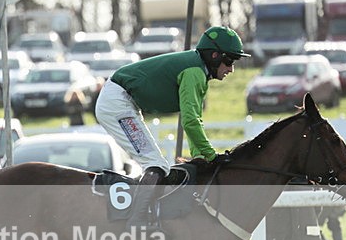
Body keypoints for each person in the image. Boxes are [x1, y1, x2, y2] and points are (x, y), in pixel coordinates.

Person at [95, 25, 249, 228]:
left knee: (159, 166)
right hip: (116, 103)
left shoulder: (199, 72)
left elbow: (194, 120)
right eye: (229, 61)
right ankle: (136, 221)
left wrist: (199, 156)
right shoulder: (194, 72)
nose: (231, 69)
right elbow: (190, 121)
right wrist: (211, 156)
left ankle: (145, 217)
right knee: (156, 164)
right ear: (214, 56)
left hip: (122, 100)